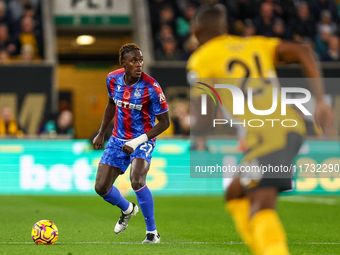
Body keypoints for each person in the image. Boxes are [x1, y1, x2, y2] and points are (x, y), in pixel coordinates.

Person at [187, 5, 333, 255]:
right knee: (235, 194)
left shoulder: (201, 59)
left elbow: (203, 119)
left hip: (271, 135)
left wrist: (190, 121)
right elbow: (302, 50)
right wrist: (320, 100)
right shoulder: (256, 44)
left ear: (196, 31)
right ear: (225, 28)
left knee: (261, 204)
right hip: (283, 127)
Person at [92, 43, 170, 243]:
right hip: (118, 138)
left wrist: (137, 142)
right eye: (134, 61)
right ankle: (127, 209)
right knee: (101, 187)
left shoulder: (151, 87)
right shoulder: (112, 79)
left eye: (141, 60)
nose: (139, 64)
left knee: (137, 180)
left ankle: (152, 233)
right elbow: (111, 103)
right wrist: (102, 133)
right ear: (123, 63)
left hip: (143, 138)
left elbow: (165, 123)